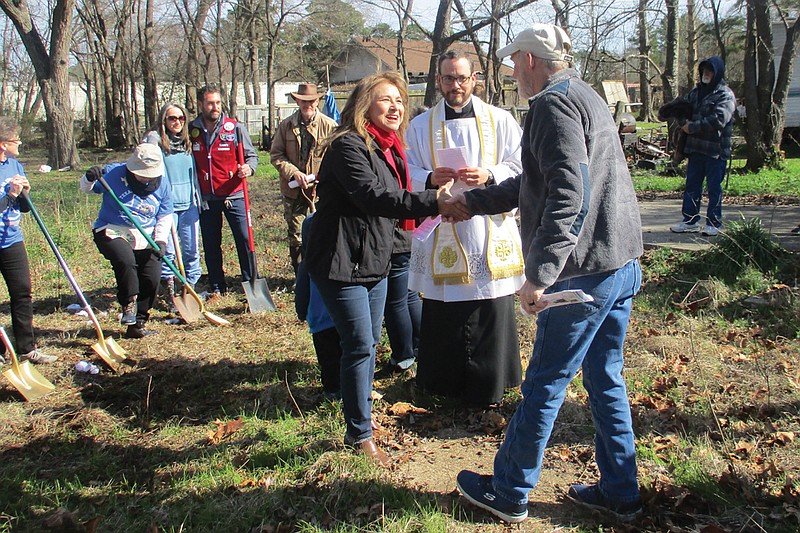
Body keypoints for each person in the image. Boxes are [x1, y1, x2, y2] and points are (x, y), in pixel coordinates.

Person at [450, 24, 645, 523]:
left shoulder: (552, 106)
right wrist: (472, 202)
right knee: (605, 379)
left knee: (544, 383)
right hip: (619, 264)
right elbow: (538, 180)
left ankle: (510, 490)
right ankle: (621, 491)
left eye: (515, 61)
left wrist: (539, 273)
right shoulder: (583, 94)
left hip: (582, 276)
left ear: (532, 60)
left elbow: (568, 196)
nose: (512, 70)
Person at [304, 71, 461, 467]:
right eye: (385, 99)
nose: (396, 107)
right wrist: (434, 202)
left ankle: (360, 410)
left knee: (369, 342)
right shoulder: (348, 147)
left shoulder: (388, 147)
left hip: (372, 257)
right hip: (340, 262)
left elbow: (390, 203)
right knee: (359, 343)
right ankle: (359, 433)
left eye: (399, 101)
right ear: (363, 105)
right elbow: (376, 197)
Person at [405, 49, 525, 406]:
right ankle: (443, 383)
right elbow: (404, 171)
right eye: (447, 78)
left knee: (489, 302)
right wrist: (429, 176)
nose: (454, 85)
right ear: (438, 80)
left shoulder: (500, 120)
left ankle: (493, 380)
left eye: (461, 78)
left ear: (475, 80)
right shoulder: (419, 126)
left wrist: (489, 175)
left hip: (487, 225)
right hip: (441, 225)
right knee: (444, 307)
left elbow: (521, 165)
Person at [82, 144, 174, 339]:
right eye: (141, 174)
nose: (144, 178)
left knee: (152, 275)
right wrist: (89, 178)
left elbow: (165, 215)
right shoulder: (115, 174)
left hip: (146, 233)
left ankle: (138, 322)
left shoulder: (163, 184)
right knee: (126, 261)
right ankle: (128, 304)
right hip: (113, 229)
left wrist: (161, 240)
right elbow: (87, 189)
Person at [189, 84, 259, 297]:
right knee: (211, 242)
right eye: (210, 103)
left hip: (234, 194)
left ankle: (251, 281)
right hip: (207, 196)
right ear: (201, 104)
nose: (215, 107)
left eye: (218, 103)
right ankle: (217, 285)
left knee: (245, 239)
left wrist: (249, 168)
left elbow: (252, 157)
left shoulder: (235, 127)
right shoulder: (192, 130)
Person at [0, 117, 56, 364]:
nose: (20, 142)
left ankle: (26, 348)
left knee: (22, 292)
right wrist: (9, 195)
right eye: (15, 140)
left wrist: (24, 193)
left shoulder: (15, 165)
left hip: (12, 239)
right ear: (2, 143)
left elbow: (23, 208)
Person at [270, 83, 337, 274]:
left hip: (320, 191)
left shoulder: (330, 126)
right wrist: (293, 173)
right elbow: (276, 155)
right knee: (296, 235)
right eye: (303, 101)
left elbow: (338, 157)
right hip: (293, 190)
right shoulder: (286, 125)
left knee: (323, 232)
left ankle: (321, 273)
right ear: (297, 100)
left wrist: (322, 177)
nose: (308, 105)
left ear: (317, 101)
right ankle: (300, 275)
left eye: (312, 101)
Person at [668, 56, 735, 237]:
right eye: (704, 70)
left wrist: (693, 127)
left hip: (715, 151)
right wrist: (683, 123)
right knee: (692, 186)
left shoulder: (725, 94)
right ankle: (690, 220)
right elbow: (681, 109)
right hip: (695, 149)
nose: (706, 74)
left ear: (717, 73)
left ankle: (714, 222)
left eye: (710, 70)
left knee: (714, 188)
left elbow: (719, 119)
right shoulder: (695, 93)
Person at [143, 103, 202, 308]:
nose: (177, 122)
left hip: (189, 203)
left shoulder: (188, 141)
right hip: (166, 206)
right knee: (167, 250)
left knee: (192, 248)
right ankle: (170, 291)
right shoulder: (156, 140)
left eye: (181, 118)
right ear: (163, 120)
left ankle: (191, 287)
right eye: (172, 118)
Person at [295, 212, 341, 399]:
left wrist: (301, 312)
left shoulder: (307, 265)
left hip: (320, 323)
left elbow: (301, 293)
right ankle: (342, 388)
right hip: (340, 320)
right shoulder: (342, 263)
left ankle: (332, 390)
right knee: (343, 356)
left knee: (328, 360)